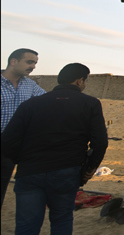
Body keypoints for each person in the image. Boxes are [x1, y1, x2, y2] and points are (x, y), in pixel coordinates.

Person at [2, 62, 108, 234]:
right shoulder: (90, 104)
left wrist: (23, 161)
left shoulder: (31, 104)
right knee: (61, 219)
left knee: (26, 224)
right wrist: (89, 169)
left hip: (30, 172)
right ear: (80, 81)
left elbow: (7, 141)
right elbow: (100, 142)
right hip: (66, 172)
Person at [1, 48, 46, 208]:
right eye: (29, 62)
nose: (33, 66)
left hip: (12, 147)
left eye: (34, 63)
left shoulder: (30, 85)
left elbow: (47, 102)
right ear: (13, 61)